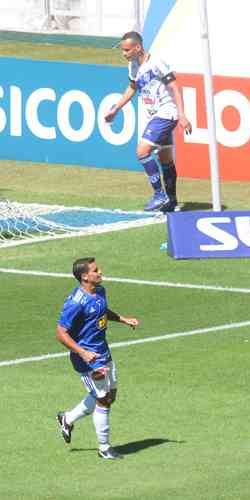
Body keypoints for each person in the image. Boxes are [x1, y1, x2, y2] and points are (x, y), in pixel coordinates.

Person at [55, 257, 139, 459]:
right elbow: (60, 332)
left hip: (103, 351)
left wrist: (122, 319)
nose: (100, 272)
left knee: (110, 395)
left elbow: (101, 312)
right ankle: (104, 448)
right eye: (95, 270)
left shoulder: (100, 291)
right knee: (103, 400)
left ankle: (67, 418)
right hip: (87, 359)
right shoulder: (75, 303)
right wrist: (83, 353)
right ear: (84, 276)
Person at [104, 31, 192, 213]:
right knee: (165, 159)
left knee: (142, 151)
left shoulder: (157, 63)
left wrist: (182, 115)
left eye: (127, 50)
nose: (124, 54)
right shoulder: (133, 66)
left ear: (138, 47)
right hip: (156, 116)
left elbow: (175, 88)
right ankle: (172, 201)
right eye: (122, 50)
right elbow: (132, 87)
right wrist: (115, 109)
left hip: (166, 114)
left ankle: (159, 194)